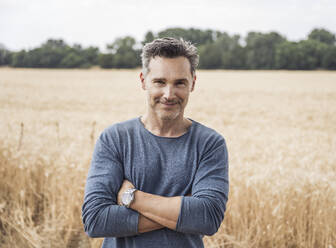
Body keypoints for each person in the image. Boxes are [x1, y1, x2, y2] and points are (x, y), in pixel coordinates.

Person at [82, 37, 229, 247]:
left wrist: (131, 198)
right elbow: (95, 220)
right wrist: (182, 212)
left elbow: (207, 218)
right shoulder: (115, 139)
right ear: (143, 80)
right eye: (160, 82)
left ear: (193, 84)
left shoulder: (209, 144)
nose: (169, 95)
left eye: (180, 83)